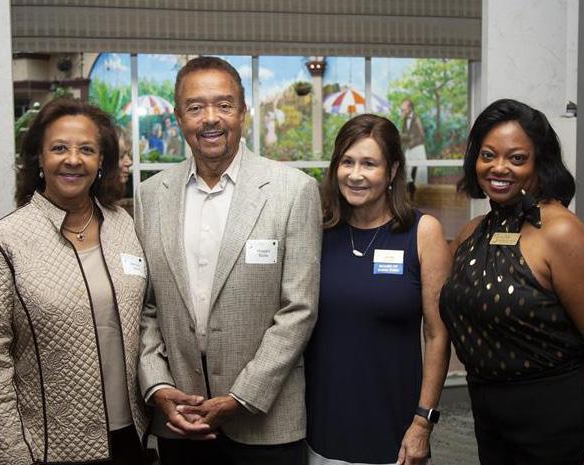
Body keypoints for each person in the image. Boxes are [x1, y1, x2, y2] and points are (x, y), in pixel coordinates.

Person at [135, 56, 322, 465]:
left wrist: (242, 396)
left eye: (223, 105)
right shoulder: (151, 197)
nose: (210, 119)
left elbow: (299, 309)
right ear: (178, 117)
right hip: (181, 416)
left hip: (266, 422)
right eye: (195, 107)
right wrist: (158, 385)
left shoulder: (293, 191)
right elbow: (145, 307)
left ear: (243, 112)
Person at [439, 99, 584, 465]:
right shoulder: (472, 233)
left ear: (540, 163)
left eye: (516, 158)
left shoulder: (561, 231)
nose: (499, 167)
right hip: (490, 419)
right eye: (488, 155)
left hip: (556, 421)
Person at [0, 98, 149, 465]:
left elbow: (146, 319)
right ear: (39, 157)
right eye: (59, 148)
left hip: (134, 435)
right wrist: (11, 457)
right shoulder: (4, 243)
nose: (73, 159)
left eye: (87, 149)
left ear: (101, 160)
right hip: (49, 448)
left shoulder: (124, 226)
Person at [305, 114, 452, 465]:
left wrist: (423, 421)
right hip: (322, 425)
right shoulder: (317, 229)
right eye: (347, 162)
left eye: (369, 164)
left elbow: (438, 335)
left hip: (395, 429)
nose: (355, 174)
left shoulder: (423, 232)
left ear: (393, 170)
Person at [400, 99, 427, 189]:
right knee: (406, 167)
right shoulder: (405, 119)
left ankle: (420, 189)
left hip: (418, 147)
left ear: (410, 108)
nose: (402, 111)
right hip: (410, 147)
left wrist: (410, 139)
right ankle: (409, 186)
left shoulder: (417, 118)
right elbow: (404, 134)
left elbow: (422, 135)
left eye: (403, 109)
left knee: (420, 169)